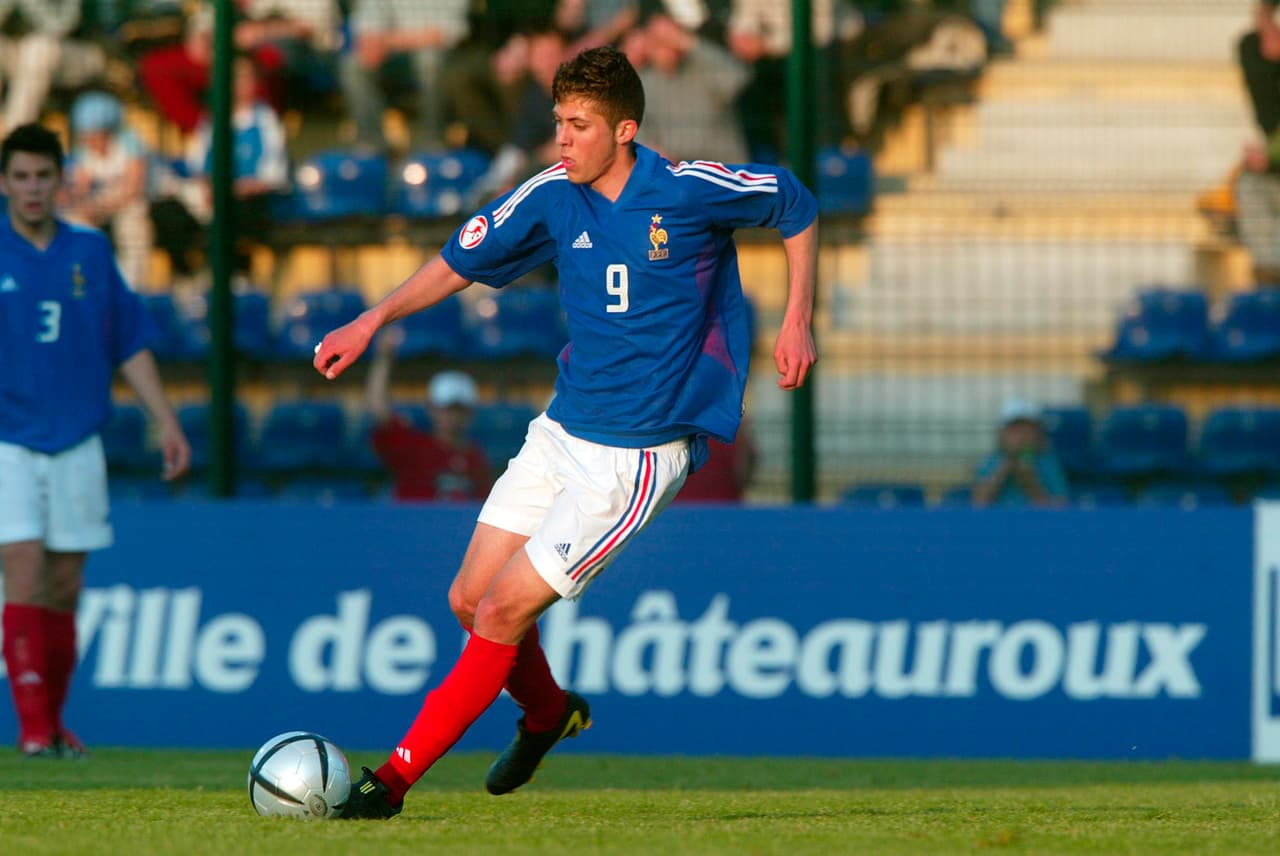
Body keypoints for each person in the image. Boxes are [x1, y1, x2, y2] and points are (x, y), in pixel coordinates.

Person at [312, 45, 816, 817]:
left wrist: (796, 321)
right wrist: (373, 318)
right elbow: (459, 261)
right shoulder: (553, 193)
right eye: (558, 123)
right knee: (469, 598)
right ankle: (549, 715)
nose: (563, 139)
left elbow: (795, 203)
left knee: (504, 611)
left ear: (625, 130)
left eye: (579, 125)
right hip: (561, 431)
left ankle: (391, 783)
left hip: (638, 455)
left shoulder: (686, 190)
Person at [0, 123, 191, 758]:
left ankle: (53, 723)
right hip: (10, 439)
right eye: (20, 177)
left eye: (42, 176)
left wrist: (164, 418)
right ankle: (31, 732)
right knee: (22, 571)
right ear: (5, 182)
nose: (31, 188)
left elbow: (128, 340)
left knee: (65, 585)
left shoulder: (89, 251)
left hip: (78, 437)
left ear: (61, 180)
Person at [365, 328, 492, 502]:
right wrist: (384, 358)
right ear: (432, 408)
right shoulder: (414, 447)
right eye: (447, 408)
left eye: (459, 410)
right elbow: (379, 410)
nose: (453, 417)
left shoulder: (476, 458)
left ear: (470, 413)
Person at [62, 91, 155, 291]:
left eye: (96, 134)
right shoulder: (84, 151)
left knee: (132, 221)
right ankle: (83, 283)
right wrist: (83, 206)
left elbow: (134, 189)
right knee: (74, 221)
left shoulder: (129, 143)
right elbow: (79, 187)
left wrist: (101, 206)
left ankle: (133, 287)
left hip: (150, 200)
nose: (90, 140)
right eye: (85, 134)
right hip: (108, 202)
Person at [970, 398, 1068, 508]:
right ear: (1002, 434)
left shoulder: (1047, 463)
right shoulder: (991, 462)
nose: (1022, 436)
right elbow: (979, 503)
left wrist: (1029, 480)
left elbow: (1059, 507)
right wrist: (1006, 467)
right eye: (1015, 430)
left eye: (1028, 429)